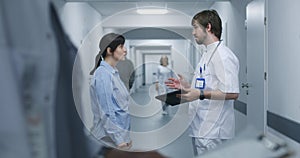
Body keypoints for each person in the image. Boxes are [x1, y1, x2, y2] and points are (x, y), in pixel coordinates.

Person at [166, 10, 239, 156]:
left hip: (214, 130)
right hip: (201, 127)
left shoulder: (223, 56)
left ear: (208, 27)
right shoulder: (207, 54)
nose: (193, 33)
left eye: (195, 27)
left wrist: (199, 94)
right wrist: (187, 87)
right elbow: (207, 85)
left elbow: (232, 93)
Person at [89, 33, 132, 150]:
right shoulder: (103, 74)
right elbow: (107, 111)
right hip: (108, 138)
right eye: (121, 47)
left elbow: (121, 109)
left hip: (118, 137)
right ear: (109, 50)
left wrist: (126, 137)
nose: (125, 50)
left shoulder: (114, 72)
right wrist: (119, 140)